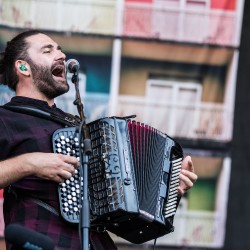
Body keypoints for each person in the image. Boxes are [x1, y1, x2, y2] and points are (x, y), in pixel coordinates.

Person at [0, 30, 198, 250]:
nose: (61, 55)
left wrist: (168, 190)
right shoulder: (6, 118)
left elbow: (120, 212)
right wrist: (29, 163)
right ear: (23, 67)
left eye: (60, 49)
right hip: (46, 240)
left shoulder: (76, 127)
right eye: (48, 50)